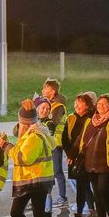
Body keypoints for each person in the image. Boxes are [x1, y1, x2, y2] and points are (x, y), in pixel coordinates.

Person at [0, 99, 55, 217]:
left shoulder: (34, 136)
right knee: (18, 212)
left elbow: (24, 158)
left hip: (36, 181)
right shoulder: (30, 134)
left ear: (26, 123)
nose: (18, 125)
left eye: (20, 122)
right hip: (32, 180)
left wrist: (6, 146)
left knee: (36, 215)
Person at [61, 92, 95, 217]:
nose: (76, 104)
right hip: (74, 158)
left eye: (79, 102)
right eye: (75, 102)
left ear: (87, 105)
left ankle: (92, 212)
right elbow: (65, 138)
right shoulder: (71, 118)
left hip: (88, 158)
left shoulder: (93, 119)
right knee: (82, 186)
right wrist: (70, 155)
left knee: (92, 187)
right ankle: (83, 214)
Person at [39, 78, 69, 210]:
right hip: (48, 143)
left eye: (45, 88)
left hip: (55, 143)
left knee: (57, 171)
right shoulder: (49, 103)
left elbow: (53, 124)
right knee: (49, 172)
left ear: (52, 91)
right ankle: (46, 198)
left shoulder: (58, 107)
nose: (42, 90)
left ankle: (62, 198)